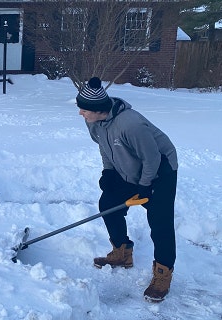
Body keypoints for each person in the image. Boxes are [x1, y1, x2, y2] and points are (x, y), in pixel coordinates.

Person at [76, 77, 178, 303]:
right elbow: (105, 147)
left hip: (160, 171)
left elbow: (152, 158)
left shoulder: (131, 124)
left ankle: (163, 274)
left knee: (160, 222)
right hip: (129, 168)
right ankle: (122, 253)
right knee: (108, 204)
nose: (80, 113)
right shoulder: (93, 122)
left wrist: (145, 187)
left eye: (83, 109)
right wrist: (108, 172)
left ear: (97, 109)